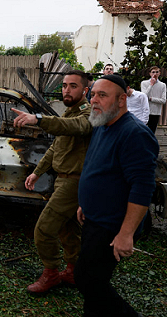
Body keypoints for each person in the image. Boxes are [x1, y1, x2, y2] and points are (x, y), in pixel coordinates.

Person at [75, 74, 158, 317]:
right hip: (93, 218)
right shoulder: (102, 123)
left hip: (112, 226)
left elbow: (143, 188)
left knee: (88, 280)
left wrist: (126, 233)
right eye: (93, 94)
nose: (94, 100)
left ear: (122, 100)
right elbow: (96, 167)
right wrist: (85, 204)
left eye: (103, 95)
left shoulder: (135, 134)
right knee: (91, 279)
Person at [12, 70, 92, 294]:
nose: (66, 89)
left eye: (73, 86)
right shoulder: (69, 113)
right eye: (64, 85)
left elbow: (77, 127)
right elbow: (57, 147)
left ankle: (51, 274)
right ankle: (73, 271)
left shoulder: (88, 113)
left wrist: (38, 119)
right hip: (63, 179)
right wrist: (37, 172)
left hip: (74, 183)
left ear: (85, 90)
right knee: (67, 230)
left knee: (44, 230)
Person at [141, 66, 166, 133]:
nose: (155, 74)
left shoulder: (163, 85)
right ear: (150, 73)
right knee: (143, 131)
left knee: (152, 132)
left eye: (157, 72)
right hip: (146, 111)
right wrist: (151, 84)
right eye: (153, 72)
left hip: (156, 112)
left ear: (159, 73)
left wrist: (151, 99)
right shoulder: (144, 83)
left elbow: (163, 100)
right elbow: (144, 96)